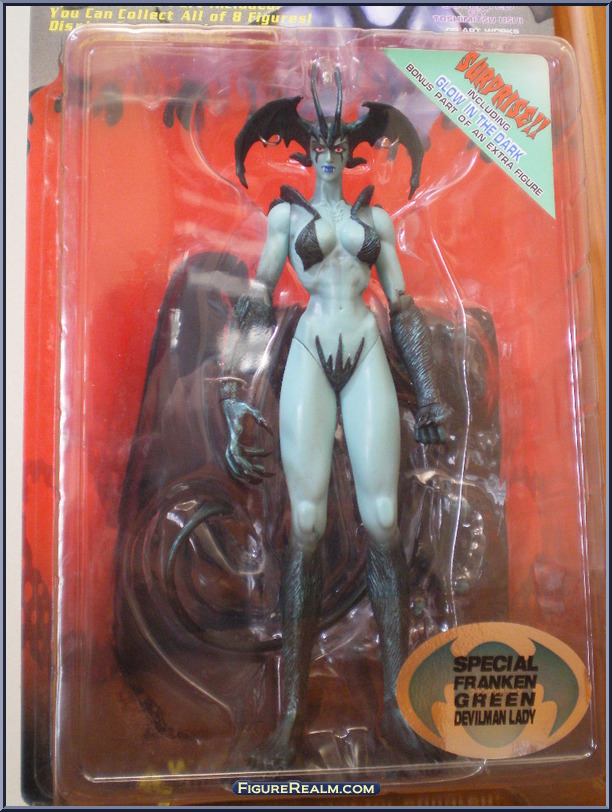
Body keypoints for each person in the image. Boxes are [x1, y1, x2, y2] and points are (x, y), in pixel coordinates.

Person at [221, 64, 449, 768]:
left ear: (353, 149)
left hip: (364, 349)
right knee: (307, 525)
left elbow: (402, 307)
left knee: (383, 522)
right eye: (315, 143)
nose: (325, 152)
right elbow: (257, 296)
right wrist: (234, 386)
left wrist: (429, 392)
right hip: (312, 350)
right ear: (300, 146)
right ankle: (291, 718)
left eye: (336, 143)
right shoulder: (285, 218)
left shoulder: (376, 220)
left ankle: (397, 709)